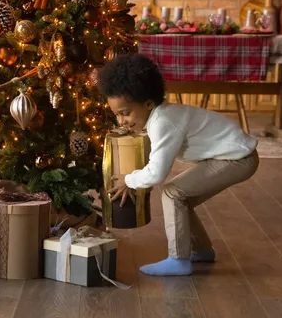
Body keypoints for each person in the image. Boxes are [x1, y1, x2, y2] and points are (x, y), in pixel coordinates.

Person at [97, 54, 259, 276]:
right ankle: (201, 250)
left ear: (148, 103)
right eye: (116, 115)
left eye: (125, 113)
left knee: (173, 193)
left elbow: (157, 174)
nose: (121, 121)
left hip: (238, 158)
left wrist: (128, 180)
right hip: (233, 155)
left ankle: (178, 260)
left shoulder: (164, 122)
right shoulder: (161, 115)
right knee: (182, 200)